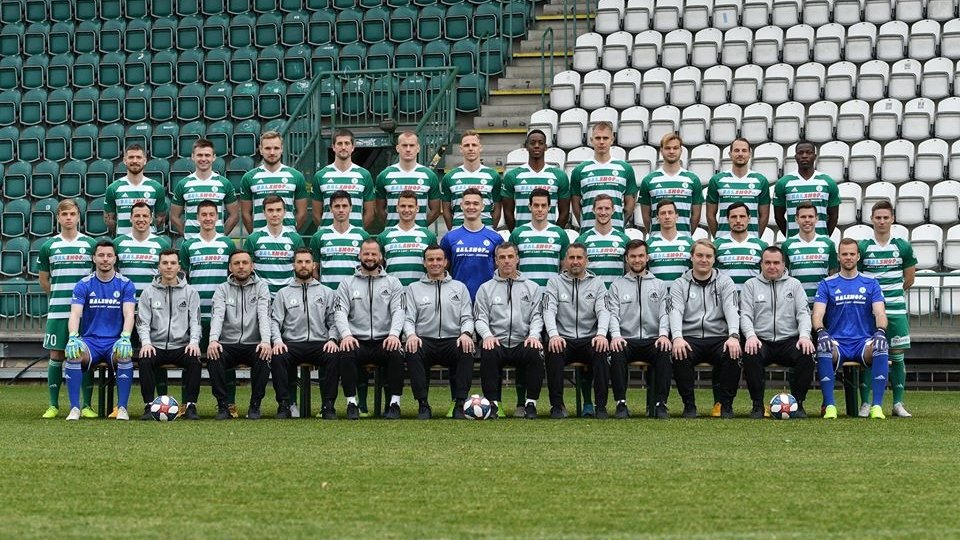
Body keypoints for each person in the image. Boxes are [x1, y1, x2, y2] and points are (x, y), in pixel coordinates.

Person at [812, 239, 889, 419]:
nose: (848, 257)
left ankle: (876, 406)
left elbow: (880, 312)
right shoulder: (827, 284)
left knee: (881, 346)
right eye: (844, 254)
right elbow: (817, 315)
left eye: (852, 254)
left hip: (863, 342)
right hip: (837, 342)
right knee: (823, 347)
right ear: (838, 257)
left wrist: (881, 331)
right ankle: (830, 406)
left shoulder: (871, 283)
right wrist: (821, 332)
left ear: (858, 256)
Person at [207, 250, 286, 420]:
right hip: (228, 343)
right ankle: (223, 405)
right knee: (214, 355)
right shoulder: (222, 289)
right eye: (236, 263)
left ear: (252, 266)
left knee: (264, 355)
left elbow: (264, 315)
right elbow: (218, 316)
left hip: (253, 343)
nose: (241, 267)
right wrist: (213, 340)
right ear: (230, 267)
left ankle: (255, 405)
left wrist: (266, 341)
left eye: (245, 263)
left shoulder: (261, 287)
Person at [63, 241, 137, 420]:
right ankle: (75, 408)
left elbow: (129, 314)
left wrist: (126, 336)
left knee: (125, 355)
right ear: (94, 258)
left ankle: (122, 408)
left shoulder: (126, 284)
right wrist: (73, 336)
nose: (105, 259)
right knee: (73, 355)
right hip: (90, 342)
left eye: (109, 255)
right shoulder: (83, 284)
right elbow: (75, 314)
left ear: (115, 259)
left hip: (115, 341)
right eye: (101, 255)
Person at [334, 239, 406, 419]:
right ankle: (352, 403)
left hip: (384, 340)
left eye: (374, 254)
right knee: (346, 352)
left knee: (396, 354)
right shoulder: (347, 283)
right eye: (366, 253)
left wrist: (394, 335)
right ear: (359, 255)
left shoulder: (393, 283)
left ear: (380, 256)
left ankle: (394, 404)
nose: (370, 257)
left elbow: (399, 311)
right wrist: (346, 335)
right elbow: (340, 311)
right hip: (357, 340)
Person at [669, 240, 742, 419]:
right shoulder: (679, 283)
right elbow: (675, 311)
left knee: (733, 353)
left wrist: (733, 335)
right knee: (680, 353)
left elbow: (732, 309)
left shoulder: (725, 282)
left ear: (714, 259)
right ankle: (689, 405)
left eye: (708, 256)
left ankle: (726, 405)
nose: (704, 260)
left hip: (718, 336)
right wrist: (677, 337)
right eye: (700, 255)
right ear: (691, 258)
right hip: (690, 336)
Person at [740, 246, 815, 419]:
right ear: (761, 264)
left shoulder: (795, 285)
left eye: (776, 263)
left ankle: (798, 404)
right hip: (761, 340)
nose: (772, 266)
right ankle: (757, 405)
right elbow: (745, 315)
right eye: (767, 262)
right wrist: (750, 336)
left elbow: (803, 314)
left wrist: (804, 335)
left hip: (789, 340)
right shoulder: (750, 285)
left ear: (783, 265)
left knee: (807, 352)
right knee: (750, 352)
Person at [38, 199, 98, 419]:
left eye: (72, 214)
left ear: (78, 216)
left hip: (86, 312)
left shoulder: (90, 244)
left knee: (85, 356)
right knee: (56, 355)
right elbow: (44, 280)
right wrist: (58, 296)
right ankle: (53, 405)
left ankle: (87, 406)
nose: (69, 218)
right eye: (64, 215)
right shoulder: (49, 246)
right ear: (58, 218)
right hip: (58, 311)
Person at [858, 200, 916, 418]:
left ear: (892, 219)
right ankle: (866, 403)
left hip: (896, 310)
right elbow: (860, 277)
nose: (881, 221)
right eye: (877, 217)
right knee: (867, 355)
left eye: (885, 217)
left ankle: (898, 403)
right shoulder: (863, 247)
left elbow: (909, 278)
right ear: (871, 219)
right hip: (869, 311)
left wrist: (890, 295)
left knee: (898, 355)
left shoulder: (902, 246)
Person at [403, 245, 476, 419]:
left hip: (452, 339)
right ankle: (423, 404)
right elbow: (408, 319)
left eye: (438, 259)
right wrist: (411, 335)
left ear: (446, 262)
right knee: (413, 349)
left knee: (466, 348)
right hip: (425, 339)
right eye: (430, 259)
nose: (435, 263)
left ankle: (460, 403)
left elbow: (467, 317)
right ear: (424, 263)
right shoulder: (413, 288)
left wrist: (466, 334)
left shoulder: (459, 287)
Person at [271, 248, 344, 419]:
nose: (303, 266)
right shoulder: (283, 293)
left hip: (320, 342)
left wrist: (333, 339)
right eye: (299, 262)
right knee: (278, 356)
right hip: (292, 343)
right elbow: (274, 321)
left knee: (334, 355)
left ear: (314, 265)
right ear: (293, 265)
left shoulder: (326, 292)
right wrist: (277, 341)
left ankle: (328, 405)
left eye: (307, 262)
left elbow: (333, 321)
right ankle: (284, 404)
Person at [474, 242, 545, 419]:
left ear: (517, 259)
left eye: (510, 257)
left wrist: (534, 335)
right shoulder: (485, 288)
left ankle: (530, 404)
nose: (507, 261)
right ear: (496, 261)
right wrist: (487, 336)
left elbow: (537, 316)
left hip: (522, 341)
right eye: (502, 257)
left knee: (535, 351)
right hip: (497, 341)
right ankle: (493, 405)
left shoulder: (532, 287)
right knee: (488, 350)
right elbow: (480, 318)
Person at [179, 199, 237, 415]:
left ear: (218, 217)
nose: (208, 218)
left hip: (222, 314)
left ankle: (228, 402)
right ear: (197, 218)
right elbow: (185, 278)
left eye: (212, 214)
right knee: (191, 357)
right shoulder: (188, 245)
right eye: (203, 214)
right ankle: (187, 403)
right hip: (195, 313)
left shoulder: (227, 244)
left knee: (223, 359)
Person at [606, 239, 673, 419]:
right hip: (627, 339)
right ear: (626, 259)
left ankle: (660, 404)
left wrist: (663, 335)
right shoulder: (616, 286)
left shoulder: (659, 285)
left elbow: (664, 314)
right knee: (617, 350)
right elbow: (613, 314)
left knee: (665, 350)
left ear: (647, 257)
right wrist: (616, 336)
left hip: (653, 339)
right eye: (633, 256)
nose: (637, 260)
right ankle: (621, 403)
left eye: (641, 256)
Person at [543, 243, 611, 419]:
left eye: (579, 257)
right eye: (571, 258)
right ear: (564, 261)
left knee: (601, 349)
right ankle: (557, 406)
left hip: (589, 338)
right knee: (553, 350)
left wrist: (602, 334)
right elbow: (548, 310)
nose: (575, 262)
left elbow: (603, 310)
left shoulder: (597, 284)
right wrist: (553, 335)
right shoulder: (554, 283)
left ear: (586, 261)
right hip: (563, 338)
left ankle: (601, 406)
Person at [135, 249, 202, 420]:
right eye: (165, 263)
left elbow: (195, 321)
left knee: (194, 359)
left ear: (179, 266)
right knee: (145, 359)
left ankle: (190, 405)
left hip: (181, 345)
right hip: (156, 345)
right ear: (159, 267)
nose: (169, 267)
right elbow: (142, 322)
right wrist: (146, 343)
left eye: (173, 263)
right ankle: (149, 406)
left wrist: (194, 342)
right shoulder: (148, 292)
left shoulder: (191, 292)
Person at [570, 121, 637, 231]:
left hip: (616, 233)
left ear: (612, 140)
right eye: (597, 138)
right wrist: (585, 223)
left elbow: (630, 203)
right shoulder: (579, 170)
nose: (601, 142)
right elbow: (575, 205)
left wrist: (620, 223)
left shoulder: (625, 169)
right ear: (591, 140)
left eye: (605, 138)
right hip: (588, 233)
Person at [440, 188, 503, 301]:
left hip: (488, 299)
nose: (471, 207)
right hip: (457, 299)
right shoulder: (449, 238)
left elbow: (500, 271)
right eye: (467, 203)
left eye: (476, 203)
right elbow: (443, 271)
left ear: (482, 206)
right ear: (461, 205)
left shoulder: (495, 238)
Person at [169, 138, 240, 239]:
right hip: (191, 243)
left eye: (207, 155)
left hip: (217, 243)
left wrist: (221, 236)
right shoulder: (183, 184)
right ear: (193, 157)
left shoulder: (224, 183)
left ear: (214, 157)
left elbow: (234, 215)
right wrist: (187, 236)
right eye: (199, 155)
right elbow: (174, 216)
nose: (203, 159)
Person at [240, 131, 309, 233]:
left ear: (281, 149)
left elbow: (302, 213)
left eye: (276, 148)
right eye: (268, 148)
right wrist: (256, 235)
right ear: (261, 150)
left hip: (288, 240)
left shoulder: (296, 176)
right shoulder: (249, 177)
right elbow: (245, 214)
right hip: (260, 239)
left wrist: (290, 232)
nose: (272, 152)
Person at [501, 130, 570, 230]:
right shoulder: (513, 175)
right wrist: (516, 233)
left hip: (549, 238)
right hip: (522, 236)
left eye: (540, 143)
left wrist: (555, 233)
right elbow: (507, 212)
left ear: (545, 147)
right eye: (532, 143)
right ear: (526, 146)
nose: (536, 146)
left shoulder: (559, 176)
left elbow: (564, 212)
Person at [638, 132, 703, 235]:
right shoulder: (649, 180)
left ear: (681, 150)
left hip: (684, 241)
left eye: (675, 148)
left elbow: (696, 215)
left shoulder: (692, 179)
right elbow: (646, 216)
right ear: (661, 150)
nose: (672, 151)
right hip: (657, 240)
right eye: (668, 148)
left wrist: (686, 234)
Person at [311, 128, 375, 230]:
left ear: (353, 147)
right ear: (333, 147)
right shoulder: (320, 176)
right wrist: (328, 231)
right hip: (328, 238)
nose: (343, 147)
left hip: (355, 239)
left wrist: (356, 232)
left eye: (347, 143)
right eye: (339, 143)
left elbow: (370, 214)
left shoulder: (364, 175)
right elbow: (315, 214)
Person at [773, 141, 840, 238]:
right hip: (794, 243)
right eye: (800, 153)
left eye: (808, 152)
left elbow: (834, 216)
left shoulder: (827, 182)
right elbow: (778, 217)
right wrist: (790, 236)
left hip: (821, 243)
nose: (804, 156)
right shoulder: (783, 183)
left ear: (815, 156)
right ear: (795, 157)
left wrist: (824, 237)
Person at [705, 138, 770, 237]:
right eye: (736, 150)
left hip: (751, 241)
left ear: (750, 153)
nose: (740, 154)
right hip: (723, 241)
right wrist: (719, 237)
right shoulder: (717, 180)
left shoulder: (760, 180)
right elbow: (710, 215)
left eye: (744, 150)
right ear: (730, 154)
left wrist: (755, 237)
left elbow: (764, 216)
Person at [375, 130, 441, 229]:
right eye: (404, 145)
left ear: (418, 148)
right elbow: (379, 209)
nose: (408, 149)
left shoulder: (429, 175)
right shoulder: (385, 175)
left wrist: (420, 227)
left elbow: (435, 210)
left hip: (419, 236)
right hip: (392, 235)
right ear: (397, 148)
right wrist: (392, 226)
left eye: (412, 145)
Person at [244, 195, 305, 295]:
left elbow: (300, 268)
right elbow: (248, 270)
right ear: (264, 213)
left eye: (278, 210)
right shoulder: (253, 238)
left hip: (289, 295)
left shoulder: (295, 238)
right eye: (270, 210)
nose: (275, 214)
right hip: (261, 296)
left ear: (284, 212)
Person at [441, 130, 502, 230]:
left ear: (480, 148)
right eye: (466, 145)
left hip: (486, 231)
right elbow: (446, 211)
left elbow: (497, 209)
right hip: (458, 230)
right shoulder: (449, 177)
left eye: (474, 145)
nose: (470, 148)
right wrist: (454, 231)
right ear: (461, 149)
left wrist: (490, 230)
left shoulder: (493, 175)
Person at [310, 190, 370, 291]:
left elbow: (367, 269)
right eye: (337, 206)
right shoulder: (319, 236)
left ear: (351, 208)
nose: (341, 210)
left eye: (344, 206)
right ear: (330, 209)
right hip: (328, 295)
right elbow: (314, 270)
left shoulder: (362, 236)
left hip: (355, 295)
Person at [509, 188, 569, 287]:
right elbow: (512, 267)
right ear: (530, 206)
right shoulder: (517, 233)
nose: (540, 209)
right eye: (536, 205)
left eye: (543, 205)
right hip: (524, 293)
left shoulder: (560, 234)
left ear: (549, 207)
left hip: (551, 293)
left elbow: (565, 268)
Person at [781, 202, 838, 303]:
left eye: (810, 216)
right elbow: (784, 276)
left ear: (816, 219)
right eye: (803, 217)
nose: (807, 220)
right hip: (796, 303)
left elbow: (833, 275)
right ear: (796, 219)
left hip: (822, 303)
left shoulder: (828, 244)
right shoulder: (787, 245)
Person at [104, 144, 167, 236]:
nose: (135, 161)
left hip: (149, 242)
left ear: (144, 160)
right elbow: (109, 220)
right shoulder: (113, 188)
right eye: (131, 157)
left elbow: (160, 219)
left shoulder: (156, 188)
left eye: (138, 157)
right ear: (125, 160)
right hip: (123, 241)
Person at [377, 190, 437, 286]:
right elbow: (379, 269)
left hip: (421, 293)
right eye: (403, 206)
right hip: (393, 293)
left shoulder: (429, 236)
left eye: (410, 206)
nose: (406, 210)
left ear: (417, 208)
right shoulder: (384, 236)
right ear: (397, 208)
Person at [113, 202, 172, 295]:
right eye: (137, 216)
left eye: (145, 216)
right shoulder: (118, 243)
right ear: (130, 218)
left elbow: (168, 275)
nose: (141, 219)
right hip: (124, 300)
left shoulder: (162, 245)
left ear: (151, 219)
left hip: (153, 301)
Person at [576, 194, 631, 288]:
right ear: (593, 210)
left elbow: (629, 273)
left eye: (607, 208)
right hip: (590, 295)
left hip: (617, 295)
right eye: (599, 208)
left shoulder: (624, 240)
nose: (603, 212)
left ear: (613, 210)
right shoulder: (582, 240)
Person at [713, 202, 768, 292]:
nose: (738, 220)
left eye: (742, 216)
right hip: (724, 298)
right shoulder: (717, 245)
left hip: (752, 299)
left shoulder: (761, 245)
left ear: (749, 218)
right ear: (727, 219)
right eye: (733, 217)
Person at [645, 200, 695, 283]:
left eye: (670, 212)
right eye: (663, 213)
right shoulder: (648, 244)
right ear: (657, 218)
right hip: (657, 294)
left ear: (677, 216)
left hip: (683, 294)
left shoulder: (690, 244)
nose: (667, 216)